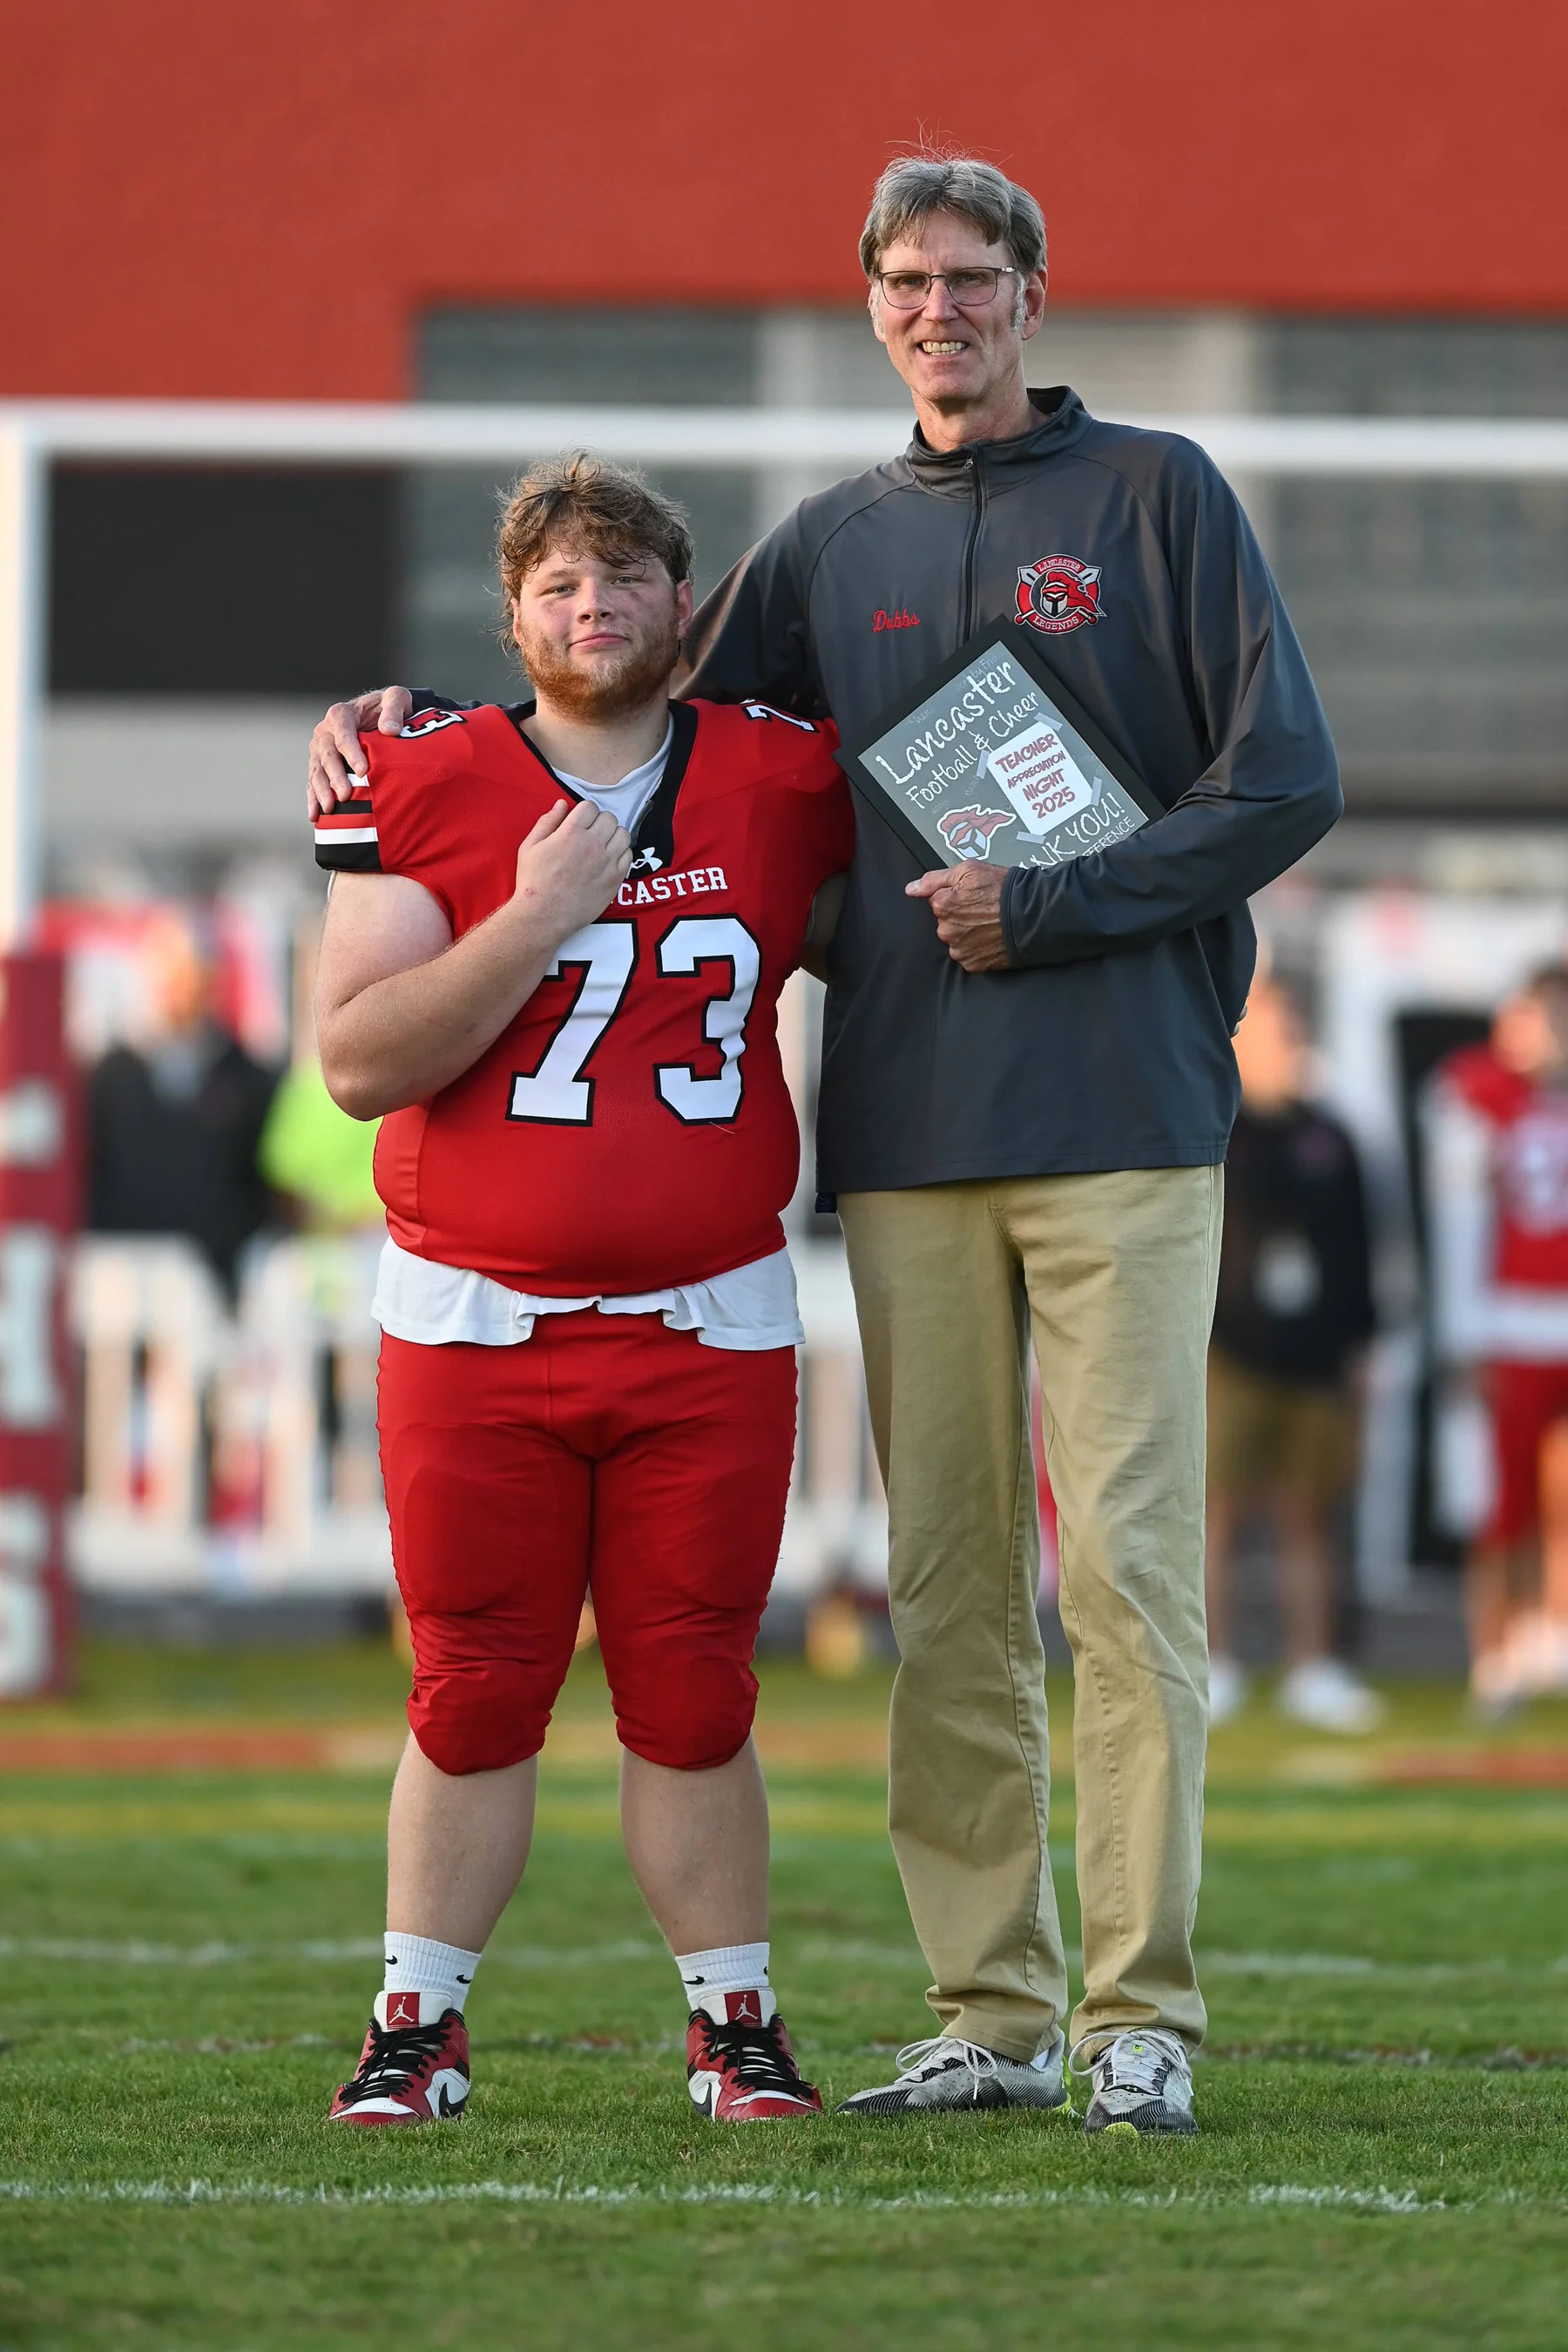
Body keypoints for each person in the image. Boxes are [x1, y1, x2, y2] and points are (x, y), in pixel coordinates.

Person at [310, 153, 1342, 2136]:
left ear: (1030, 294)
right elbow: (624, 719)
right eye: (904, 281)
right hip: (908, 1127)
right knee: (951, 1582)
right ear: (876, 307)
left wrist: (1054, 908)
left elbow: (1281, 776)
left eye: (969, 276)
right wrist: (398, 727)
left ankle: (1141, 2011)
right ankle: (993, 2007)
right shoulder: (827, 538)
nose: (937, 307)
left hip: (1125, 1102)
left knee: (1123, 1573)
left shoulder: (1159, 495)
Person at [312, 454, 851, 2126]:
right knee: (475, 1683)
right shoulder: (423, 774)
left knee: (695, 1688)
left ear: (684, 610)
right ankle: (415, 2023)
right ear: (511, 614)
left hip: (707, 1314)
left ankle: (736, 2027)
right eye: (557, 583)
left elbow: (915, 910)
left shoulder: (779, 776)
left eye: (623, 579)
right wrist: (539, 916)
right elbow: (356, 1061)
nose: (591, 606)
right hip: (478, 1315)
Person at [1204, 976, 1382, 1733]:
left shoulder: (1330, 1136)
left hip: (1314, 1360)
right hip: (1230, 1353)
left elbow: (1360, 1252)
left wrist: (1361, 1349)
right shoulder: (1215, 1129)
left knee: (1309, 1515)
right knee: (1215, 1516)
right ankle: (1216, 1664)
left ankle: (1314, 1666)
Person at [1426, 963, 1568, 1713]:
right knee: (1500, 1499)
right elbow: (1459, 1222)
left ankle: (1552, 1631)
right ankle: (1495, 1648)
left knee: (1561, 1491)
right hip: (1509, 1321)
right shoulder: (1478, 1094)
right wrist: (1465, 1333)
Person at [87, 909, 280, 1294]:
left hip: (216, 1280)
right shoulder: (109, 1077)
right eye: (174, 977)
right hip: (121, 1280)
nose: (184, 991)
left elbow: (263, 1181)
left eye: (195, 978)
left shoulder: (248, 1078)